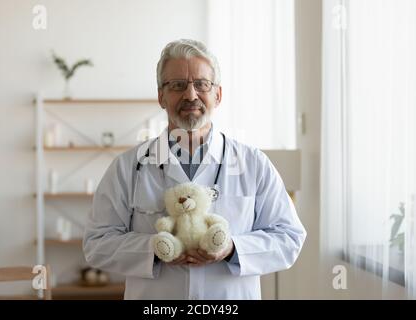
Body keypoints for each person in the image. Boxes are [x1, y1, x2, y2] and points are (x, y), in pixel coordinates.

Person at [83, 39, 306, 300]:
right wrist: (153, 249)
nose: (190, 95)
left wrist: (233, 249)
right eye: (177, 85)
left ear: (218, 95)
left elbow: (289, 238)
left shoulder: (253, 163)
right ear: (161, 97)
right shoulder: (128, 167)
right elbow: (97, 243)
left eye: (201, 84)